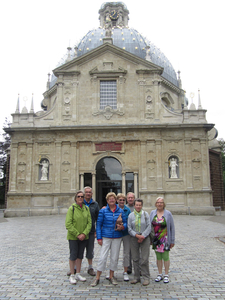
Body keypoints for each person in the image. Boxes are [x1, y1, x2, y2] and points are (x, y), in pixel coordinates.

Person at [91, 192, 127, 287]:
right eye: (109, 199)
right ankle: (97, 277)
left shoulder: (120, 211)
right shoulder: (103, 211)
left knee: (114, 257)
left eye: (113, 198)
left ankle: (111, 276)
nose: (111, 200)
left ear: (116, 200)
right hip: (106, 236)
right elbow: (98, 225)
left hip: (117, 237)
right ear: (107, 201)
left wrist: (122, 227)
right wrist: (99, 238)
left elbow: (125, 223)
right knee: (102, 257)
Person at [67, 186, 100, 277]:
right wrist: (78, 234)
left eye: (90, 192)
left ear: (92, 193)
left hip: (89, 232)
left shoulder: (94, 205)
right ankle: (73, 269)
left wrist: (96, 231)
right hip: (77, 234)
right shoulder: (75, 207)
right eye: (86, 192)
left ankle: (89, 267)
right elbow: (68, 223)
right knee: (75, 252)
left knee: (89, 251)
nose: (88, 194)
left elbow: (97, 219)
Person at [65, 191, 92, 284]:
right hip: (73, 237)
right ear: (75, 198)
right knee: (73, 255)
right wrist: (77, 234)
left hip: (84, 237)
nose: (80, 198)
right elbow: (68, 224)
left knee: (80, 255)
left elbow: (89, 223)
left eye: (82, 196)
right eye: (78, 196)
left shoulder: (86, 208)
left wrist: (84, 234)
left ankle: (78, 273)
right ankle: (72, 275)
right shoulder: (71, 209)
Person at [150, 197, 175, 284]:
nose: (159, 204)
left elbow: (172, 227)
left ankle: (166, 274)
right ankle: (160, 274)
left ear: (164, 204)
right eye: (158, 202)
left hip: (165, 240)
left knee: (166, 257)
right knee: (158, 257)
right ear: (156, 204)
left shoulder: (168, 214)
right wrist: (150, 239)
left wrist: (172, 240)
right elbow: (150, 226)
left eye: (161, 202)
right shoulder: (152, 213)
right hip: (156, 239)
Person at [128, 199, 151, 286]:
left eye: (139, 205)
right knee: (135, 258)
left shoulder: (145, 214)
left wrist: (143, 236)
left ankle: (146, 277)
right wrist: (137, 235)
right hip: (134, 238)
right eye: (136, 205)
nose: (138, 206)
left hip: (145, 238)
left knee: (144, 259)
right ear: (134, 205)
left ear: (142, 206)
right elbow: (129, 228)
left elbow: (149, 226)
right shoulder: (130, 216)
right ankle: (136, 277)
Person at [117, 193, 131, 281]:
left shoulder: (127, 210)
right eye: (120, 200)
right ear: (117, 200)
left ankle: (125, 271)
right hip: (117, 234)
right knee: (115, 253)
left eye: (123, 200)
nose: (121, 201)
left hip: (126, 233)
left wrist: (123, 227)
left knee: (126, 253)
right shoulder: (113, 209)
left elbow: (129, 221)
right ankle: (112, 271)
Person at [126, 192, 135, 274]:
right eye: (129, 198)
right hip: (128, 233)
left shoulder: (137, 207)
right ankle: (129, 267)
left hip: (136, 233)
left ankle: (138, 268)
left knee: (137, 251)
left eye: (132, 197)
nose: (130, 199)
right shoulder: (124, 208)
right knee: (128, 251)